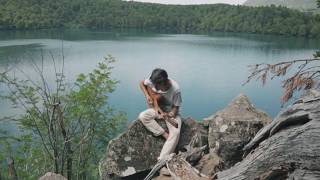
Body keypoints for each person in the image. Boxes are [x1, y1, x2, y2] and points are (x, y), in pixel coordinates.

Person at [138, 68, 182, 175]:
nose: (155, 88)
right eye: (154, 85)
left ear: (165, 81)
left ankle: (161, 163)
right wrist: (148, 95)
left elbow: (176, 108)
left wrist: (169, 115)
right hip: (157, 108)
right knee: (143, 116)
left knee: (176, 132)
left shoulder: (176, 90)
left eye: (157, 86)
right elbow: (142, 83)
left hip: (170, 112)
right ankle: (165, 135)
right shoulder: (153, 81)